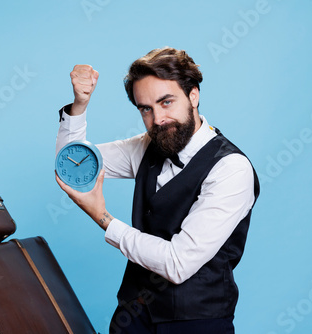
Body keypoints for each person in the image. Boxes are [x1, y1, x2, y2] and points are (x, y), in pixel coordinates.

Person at [55, 47, 260, 334]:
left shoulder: (231, 169)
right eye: (146, 109)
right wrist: (79, 105)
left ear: (193, 96)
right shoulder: (146, 146)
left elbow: (177, 263)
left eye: (166, 102)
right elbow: (71, 164)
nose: (158, 119)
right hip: (132, 315)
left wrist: (104, 219)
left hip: (196, 323)